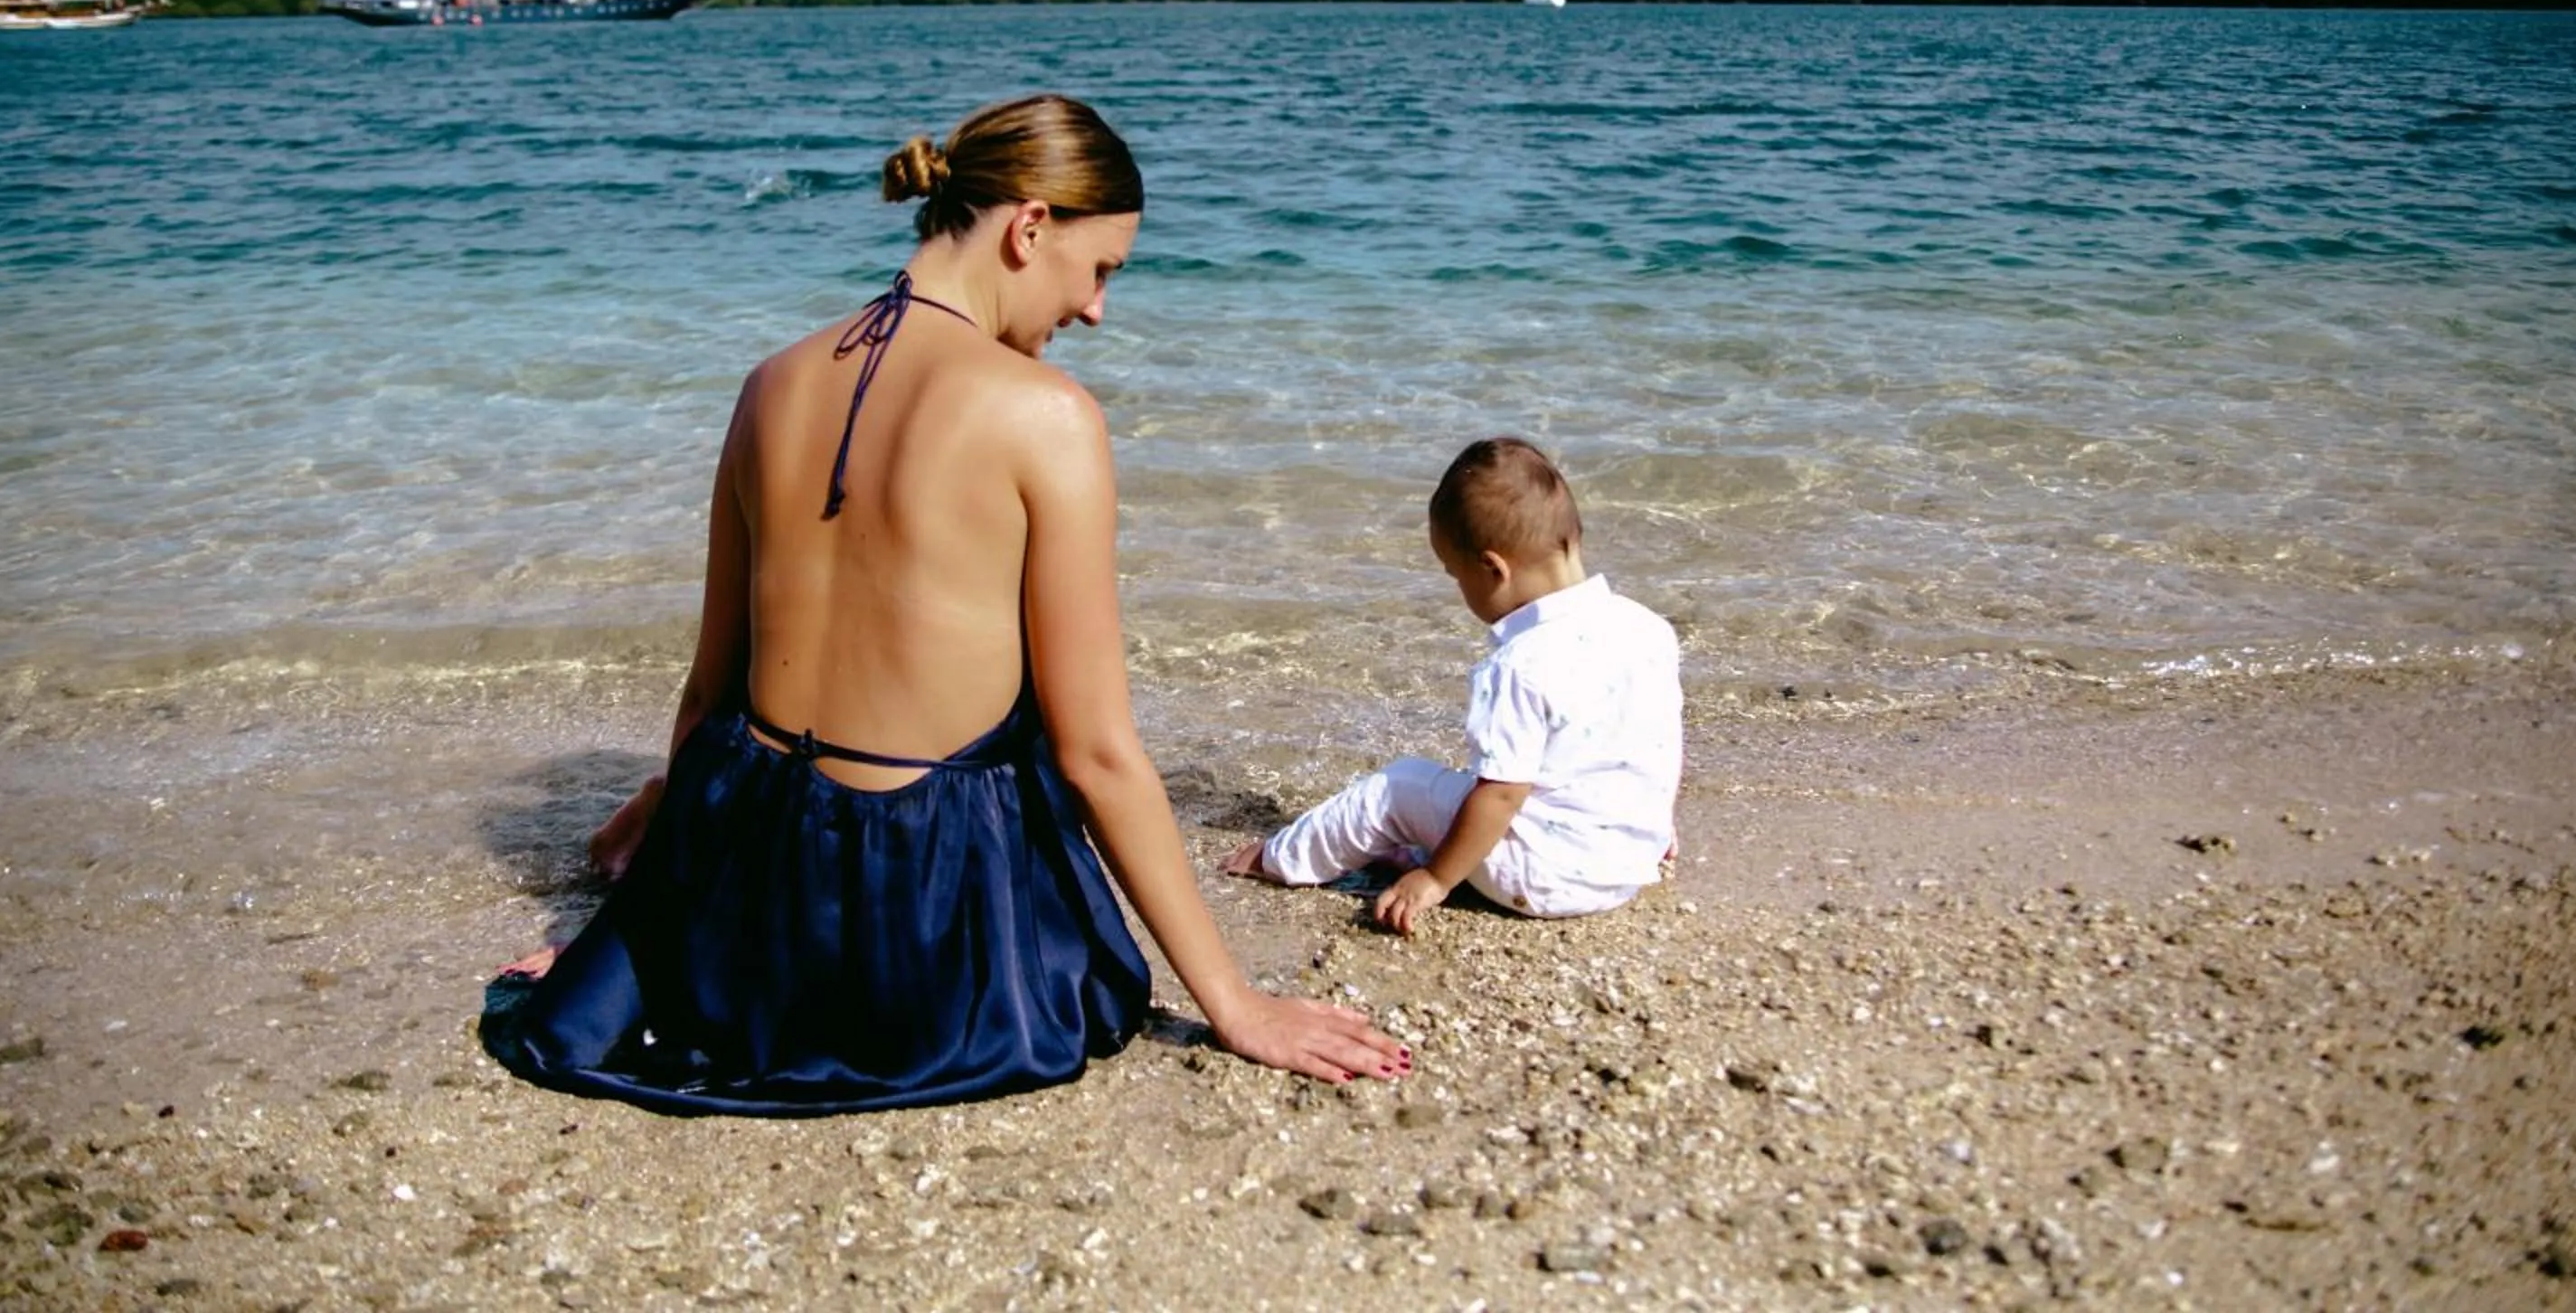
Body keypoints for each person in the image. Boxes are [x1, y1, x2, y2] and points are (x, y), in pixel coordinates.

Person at [485, 94, 1409, 1114]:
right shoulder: (1045, 416)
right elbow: (1094, 752)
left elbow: (712, 688)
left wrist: (664, 900)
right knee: (1021, 730)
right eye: (1101, 271)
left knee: (765, 727)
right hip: (911, 925)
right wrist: (1235, 1003)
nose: (1096, 310)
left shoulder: (770, 381)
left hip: (749, 878)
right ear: (1028, 227)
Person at [1222, 438, 1682, 937]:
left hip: (1542, 878)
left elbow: (1503, 795)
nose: (1459, 590)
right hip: (1627, 863)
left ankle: (1281, 859)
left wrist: (1437, 879)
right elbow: (1649, 745)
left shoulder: (1519, 664)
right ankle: (1421, 847)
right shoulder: (1647, 628)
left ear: (1492, 569)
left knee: (1400, 787)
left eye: (1455, 575)